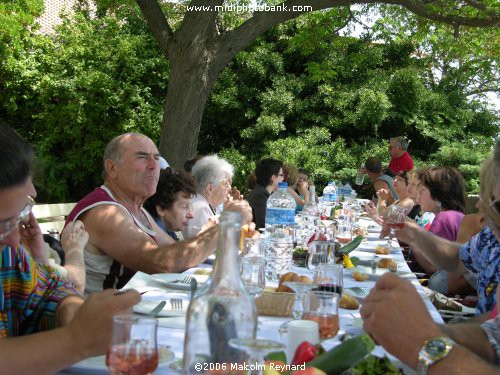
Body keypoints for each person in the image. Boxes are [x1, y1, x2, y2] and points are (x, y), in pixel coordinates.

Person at [0, 123, 139, 374]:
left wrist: (72, 310)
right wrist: (76, 341)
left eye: (20, 214)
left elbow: (48, 289)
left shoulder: (7, 256)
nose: (13, 239)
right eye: (3, 224)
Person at [360, 142, 500, 373]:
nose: (479, 206)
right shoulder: (492, 236)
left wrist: (424, 342)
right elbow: (458, 259)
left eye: (496, 204)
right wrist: (418, 329)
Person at [66, 133, 252, 294]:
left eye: (156, 158)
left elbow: (174, 250)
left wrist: (209, 233)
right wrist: (226, 223)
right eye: (142, 157)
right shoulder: (104, 211)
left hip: (132, 309)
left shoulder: (137, 209)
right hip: (101, 321)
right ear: (112, 168)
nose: (154, 166)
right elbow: (163, 263)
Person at [412, 167, 466, 277]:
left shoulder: (444, 218)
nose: (419, 194)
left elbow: (431, 266)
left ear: (439, 194)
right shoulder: (456, 215)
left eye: (422, 191)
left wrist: (411, 235)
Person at [183, 155, 235, 239]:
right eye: (226, 184)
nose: (229, 188)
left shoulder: (201, 203)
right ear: (210, 188)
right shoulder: (202, 209)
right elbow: (216, 246)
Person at [144, 171, 196, 241]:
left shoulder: (168, 229)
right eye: (184, 206)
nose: (192, 215)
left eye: (191, 206)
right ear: (161, 209)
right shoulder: (152, 240)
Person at [246, 158, 283, 229]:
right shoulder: (260, 196)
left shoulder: (262, 192)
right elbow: (263, 226)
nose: (283, 178)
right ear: (273, 177)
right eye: (281, 175)